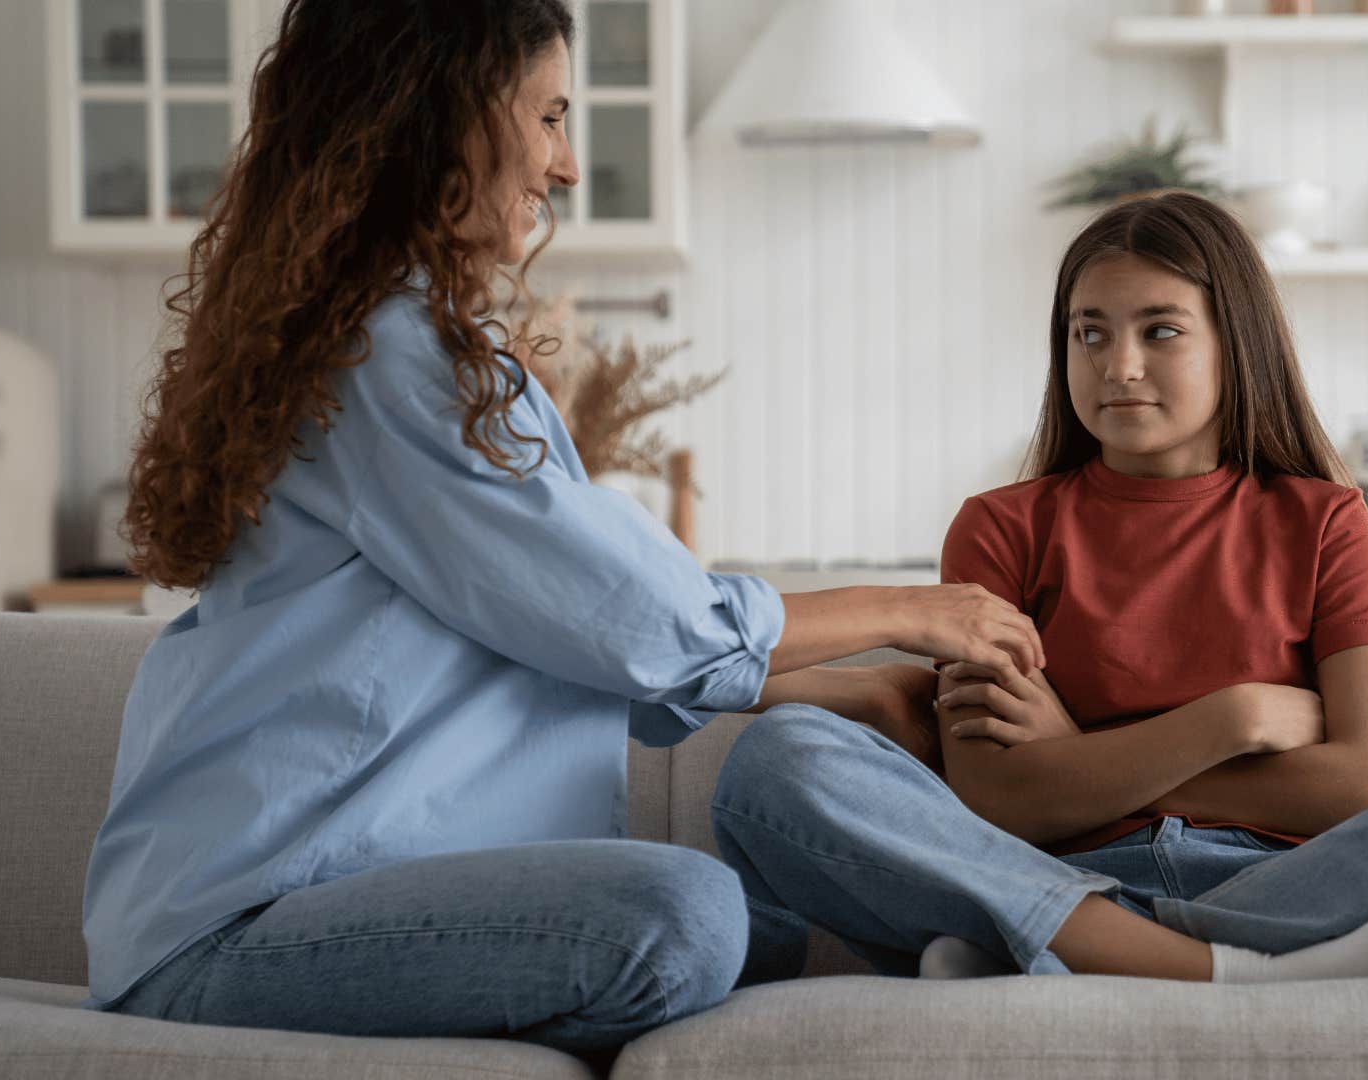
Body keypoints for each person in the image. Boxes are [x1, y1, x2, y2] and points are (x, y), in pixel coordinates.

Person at [82, 0, 1040, 1057]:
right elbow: (634, 617)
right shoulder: (392, 356)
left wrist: (838, 688)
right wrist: (913, 608)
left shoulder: (401, 345)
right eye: (547, 116)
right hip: (249, 923)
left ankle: (1018, 931)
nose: (568, 163)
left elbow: (548, 641)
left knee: (757, 924)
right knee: (686, 916)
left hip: (283, 907)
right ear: (446, 119)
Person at [709, 192, 1368, 984]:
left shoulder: (1325, 520)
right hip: (1058, 875)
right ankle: (1224, 966)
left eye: (1160, 330)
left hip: (1274, 885)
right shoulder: (999, 526)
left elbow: (1363, 780)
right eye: (1088, 331)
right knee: (777, 766)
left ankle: (1081, 952)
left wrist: (1087, 759)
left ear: (1235, 342)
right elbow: (996, 798)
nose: (1118, 365)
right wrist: (1229, 722)